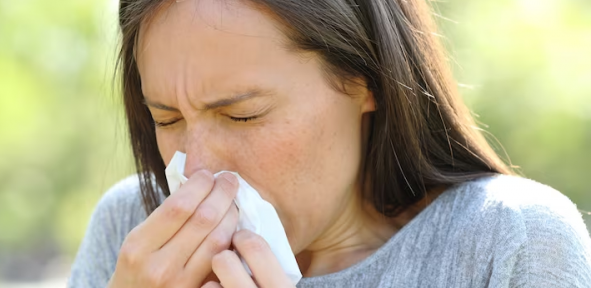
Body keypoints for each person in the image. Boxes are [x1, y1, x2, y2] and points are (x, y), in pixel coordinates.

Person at [68, 0, 591, 287]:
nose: (198, 167)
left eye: (242, 114)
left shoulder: (505, 242)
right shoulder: (131, 232)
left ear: (366, 80)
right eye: (167, 118)